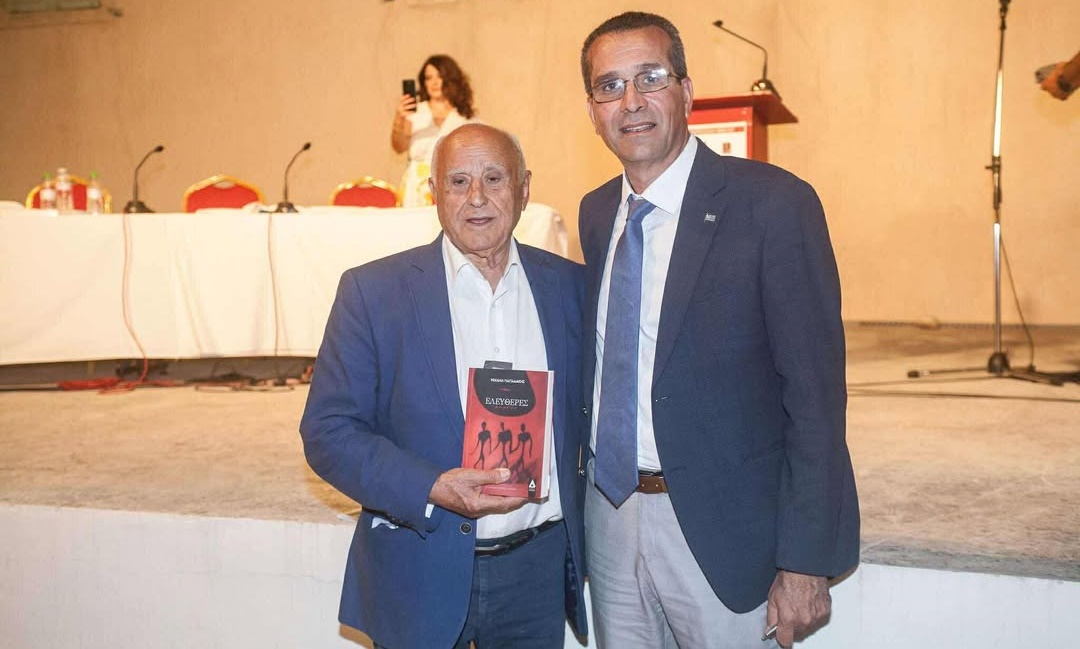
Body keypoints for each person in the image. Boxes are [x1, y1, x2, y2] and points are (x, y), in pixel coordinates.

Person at [577, 12, 860, 649]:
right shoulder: (596, 214)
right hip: (611, 520)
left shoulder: (774, 205)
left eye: (650, 78)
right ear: (592, 111)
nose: (631, 101)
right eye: (609, 86)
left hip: (725, 534)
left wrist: (805, 559)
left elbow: (815, 397)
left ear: (686, 90)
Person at [300, 123, 588, 648]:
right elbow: (328, 432)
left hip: (536, 573)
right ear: (434, 193)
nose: (476, 197)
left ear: (524, 188)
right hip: (420, 564)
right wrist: (430, 486)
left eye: (494, 178)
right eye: (458, 181)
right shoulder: (373, 293)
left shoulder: (572, 287)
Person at [391, 54, 476, 207]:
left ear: (451, 79)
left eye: (439, 76)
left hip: (452, 186)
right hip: (416, 186)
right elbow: (399, 147)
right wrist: (399, 120)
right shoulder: (415, 112)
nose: (434, 82)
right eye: (429, 78)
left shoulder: (464, 118)